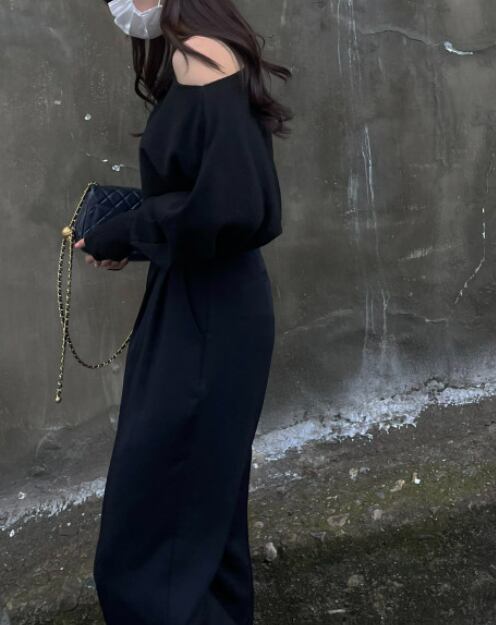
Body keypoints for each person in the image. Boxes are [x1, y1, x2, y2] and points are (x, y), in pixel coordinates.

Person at [75, 1, 293, 623]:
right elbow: (208, 198)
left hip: (208, 315)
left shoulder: (203, 56)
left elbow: (236, 206)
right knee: (198, 516)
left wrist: (130, 230)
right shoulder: (198, 51)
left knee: (151, 532)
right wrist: (136, 237)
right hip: (203, 302)